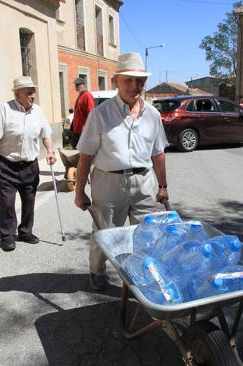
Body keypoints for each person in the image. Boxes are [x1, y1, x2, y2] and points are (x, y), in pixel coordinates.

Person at [74, 52, 169, 291]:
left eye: (139, 81)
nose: (134, 86)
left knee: (147, 234)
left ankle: (142, 276)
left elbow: (158, 153)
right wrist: (79, 190)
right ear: (116, 81)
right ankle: (96, 271)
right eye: (128, 80)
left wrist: (163, 186)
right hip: (109, 183)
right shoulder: (100, 115)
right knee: (105, 233)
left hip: (144, 182)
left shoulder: (153, 115)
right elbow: (85, 156)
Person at [0, 76, 57, 252]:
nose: (32, 95)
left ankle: (25, 231)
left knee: (29, 200)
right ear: (18, 94)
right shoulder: (5, 109)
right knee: (7, 202)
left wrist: (49, 151)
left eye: (33, 91)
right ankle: (7, 235)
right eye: (28, 92)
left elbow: (46, 135)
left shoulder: (38, 112)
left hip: (29, 165)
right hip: (7, 164)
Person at [70, 77, 94, 149]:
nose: (76, 87)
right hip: (76, 129)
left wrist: (86, 126)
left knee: (81, 151)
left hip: (83, 130)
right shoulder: (81, 95)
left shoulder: (87, 95)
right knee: (76, 149)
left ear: (83, 85)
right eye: (75, 85)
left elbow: (91, 112)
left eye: (78, 85)